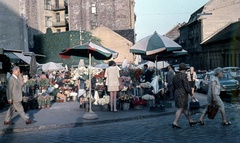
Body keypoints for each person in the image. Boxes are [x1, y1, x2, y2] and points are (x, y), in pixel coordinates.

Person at [172, 63, 196, 128]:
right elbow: (187, 86)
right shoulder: (184, 76)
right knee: (180, 108)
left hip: (177, 92)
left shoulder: (175, 76)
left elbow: (173, 86)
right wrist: (191, 94)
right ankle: (175, 122)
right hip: (183, 94)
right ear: (184, 69)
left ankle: (190, 120)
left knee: (185, 108)